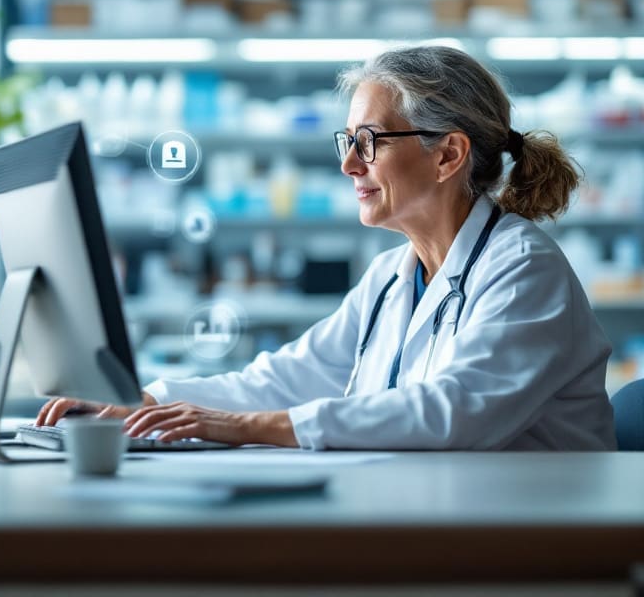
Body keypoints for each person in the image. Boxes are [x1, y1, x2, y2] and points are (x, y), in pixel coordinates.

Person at [39, 45, 616, 450]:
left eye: (368, 142)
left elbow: (454, 413)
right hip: (438, 516)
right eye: (348, 141)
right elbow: (285, 379)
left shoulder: (522, 269)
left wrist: (248, 427)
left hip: (534, 542)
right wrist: (146, 400)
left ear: (448, 155)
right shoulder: (393, 275)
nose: (348, 164)